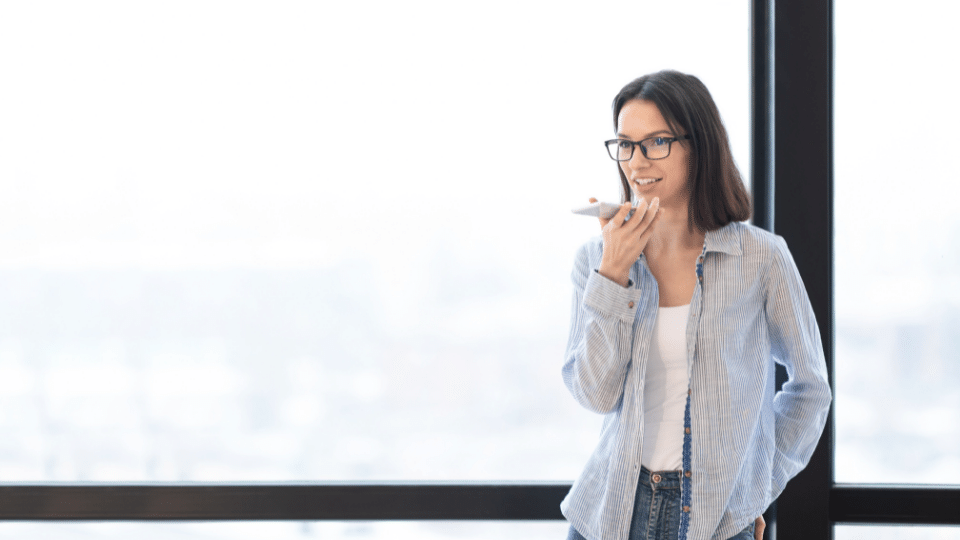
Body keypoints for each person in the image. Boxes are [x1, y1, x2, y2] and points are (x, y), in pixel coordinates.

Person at [561, 70, 831, 540]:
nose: (636, 161)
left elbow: (811, 389)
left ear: (698, 146)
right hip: (609, 514)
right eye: (625, 144)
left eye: (656, 142)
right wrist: (614, 275)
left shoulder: (761, 259)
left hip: (715, 522)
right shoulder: (597, 260)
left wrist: (751, 490)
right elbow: (596, 395)